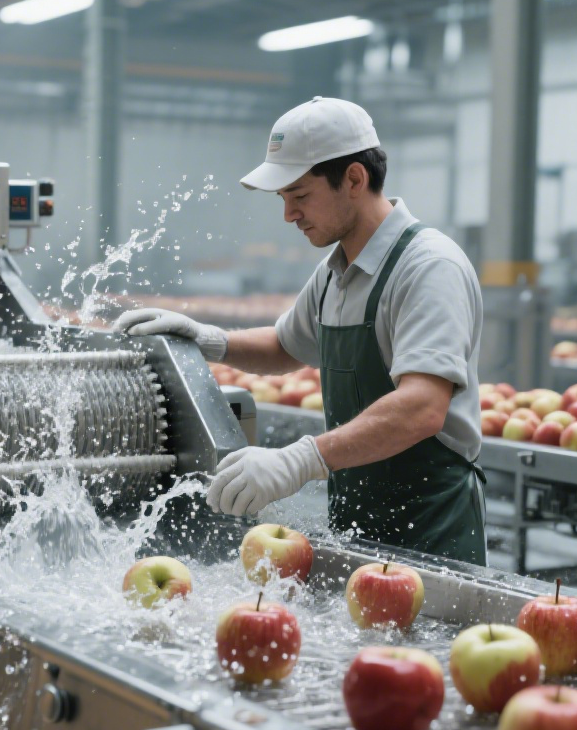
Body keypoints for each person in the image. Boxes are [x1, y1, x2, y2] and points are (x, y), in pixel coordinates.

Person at [113, 97, 487, 565]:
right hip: (359, 524)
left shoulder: (427, 266)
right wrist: (205, 339)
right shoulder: (335, 270)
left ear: (354, 178)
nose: (289, 215)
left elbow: (422, 407)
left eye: (300, 196)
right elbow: (285, 346)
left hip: (433, 534)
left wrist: (299, 460)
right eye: (283, 199)